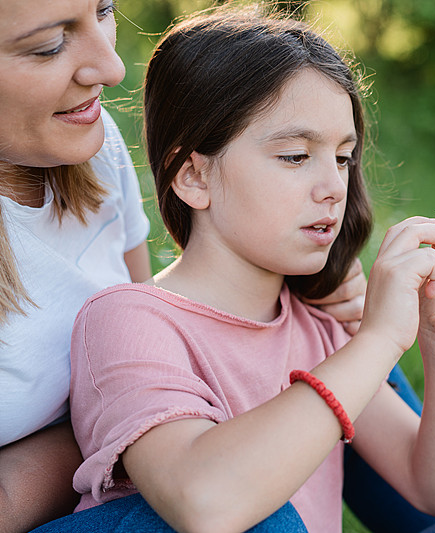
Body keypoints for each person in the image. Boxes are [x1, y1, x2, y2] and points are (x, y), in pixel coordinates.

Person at [33, 7, 435, 533]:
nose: (331, 187)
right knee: (261, 515)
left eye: (343, 158)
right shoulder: (127, 321)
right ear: (193, 176)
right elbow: (206, 505)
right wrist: (377, 339)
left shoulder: (318, 329)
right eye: (295, 157)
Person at [0, 2, 369, 532]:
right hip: (113, 483)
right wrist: (150, 427)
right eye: (48, 45)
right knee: (251, 512)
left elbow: (145, 308)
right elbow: (204, 491)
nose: (113, 67)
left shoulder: (87, 141)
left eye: (104, 9)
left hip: (153, 424)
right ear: (191, 175)